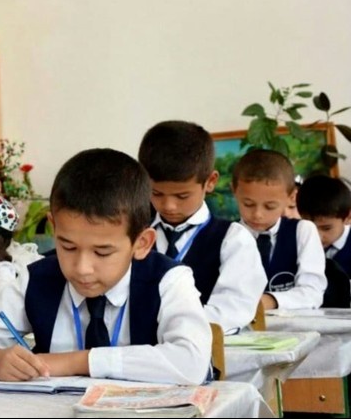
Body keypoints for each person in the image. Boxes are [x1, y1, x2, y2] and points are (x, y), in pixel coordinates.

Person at [0, 149, 211, 386]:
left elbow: (193, 362)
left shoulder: (168, 281)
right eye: (68, 246)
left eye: (102, 252)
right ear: (54, 228)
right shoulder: (36, 280)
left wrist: (76, 361)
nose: (82, 268)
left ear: (142, 243)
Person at [138, 120, 266, 332]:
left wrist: (173, 328)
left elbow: (231, 309)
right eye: (156, 193)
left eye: (182, 196)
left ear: (210, 181)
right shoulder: (134, 234)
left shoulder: (233, 240)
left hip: (205, 347)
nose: (168, 205)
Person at [232, 150, 326, 310]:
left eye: (270, 206)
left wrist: (267, 301)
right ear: (234, 191)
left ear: (292, 197)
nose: (258, 214)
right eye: (248, 204)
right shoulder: (226, 235)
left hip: (293, 323)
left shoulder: (302, 231)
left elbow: (312, 293)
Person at [297, 175, 351, 306]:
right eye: (309, 227)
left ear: (348, 217)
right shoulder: (296, 242)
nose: (316, 236)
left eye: (326, 228)